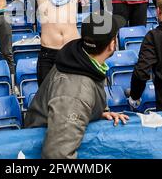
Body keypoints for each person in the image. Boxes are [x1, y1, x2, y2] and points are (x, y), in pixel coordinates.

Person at [25, 12, 129, 159]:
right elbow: (57, 156)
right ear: (112, 44)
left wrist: (96, 112)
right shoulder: (75, 91)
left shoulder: (82, 59)